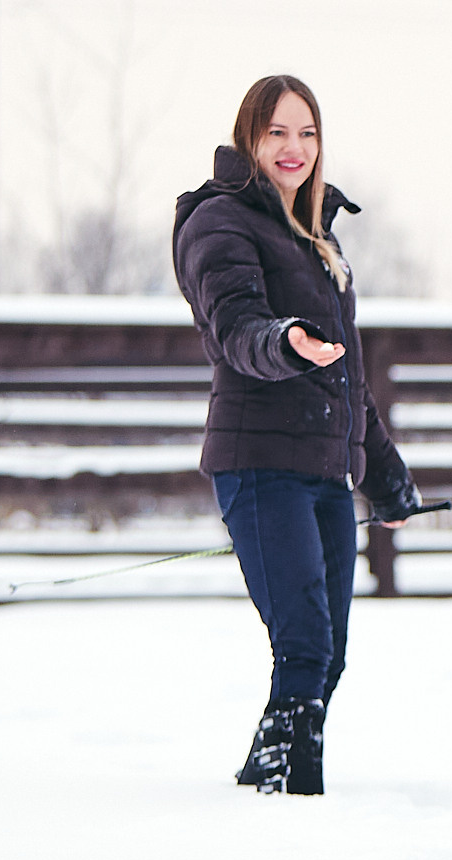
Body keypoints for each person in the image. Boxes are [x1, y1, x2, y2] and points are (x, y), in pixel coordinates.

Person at [172, 75, 419, 795]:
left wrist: (386, 476)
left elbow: (349, 383)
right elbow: (238, 328)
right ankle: (288, 800)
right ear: (250, 138)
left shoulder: (317, 235)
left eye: (307, 132)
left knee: (329, 651)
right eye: (277, 132)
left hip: (323, 472)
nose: (294, 147)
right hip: (258, 463)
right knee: (304, 643)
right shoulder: (219, 223)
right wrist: (285, 341)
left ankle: (264, 779)